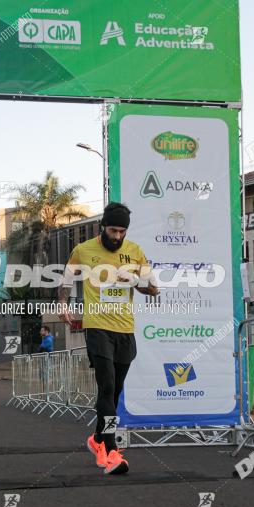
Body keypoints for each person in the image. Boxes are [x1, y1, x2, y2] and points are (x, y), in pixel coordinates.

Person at [59, 202, 158, 475]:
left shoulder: (135, 252)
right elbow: (66, 279)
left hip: (125, 329)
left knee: (114, 393)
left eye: (121, 232)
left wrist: (134, 281)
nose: (117, 237)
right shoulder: (84, 250)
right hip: (97, 326)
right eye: (113, 230)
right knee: (106, 387)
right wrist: (63, 304)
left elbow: (153, 288)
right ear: (103, 227)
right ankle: (112, 450)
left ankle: (97, 438)